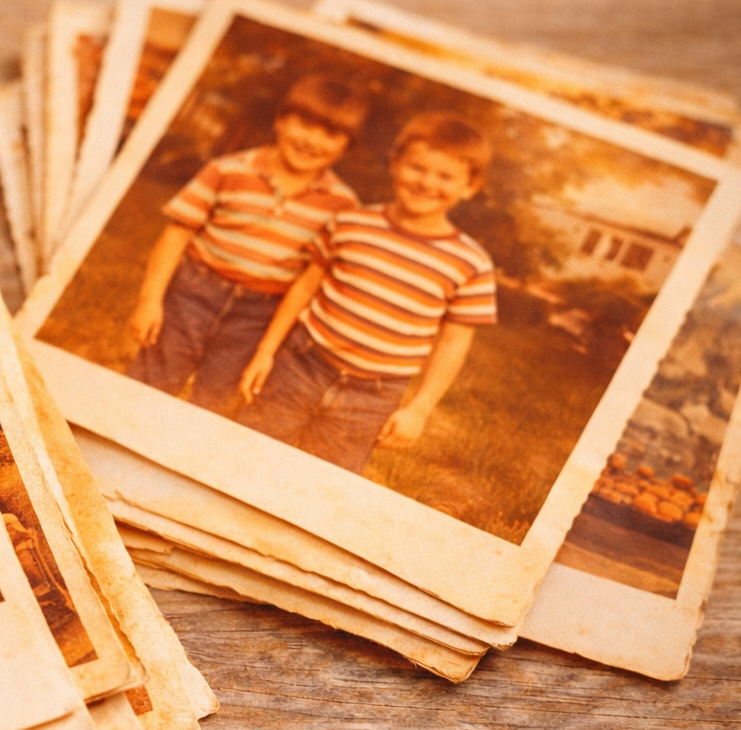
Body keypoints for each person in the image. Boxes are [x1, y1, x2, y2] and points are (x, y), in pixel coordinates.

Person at [236, 112, 496, 473]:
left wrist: (419, 408)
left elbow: (454, 342)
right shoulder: (351, 223)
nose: (427, 183)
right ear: (395, 164)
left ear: (470, 186)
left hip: (374, 393)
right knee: (246, 455)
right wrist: (266, 352)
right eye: (417, 168)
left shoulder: (471, 262)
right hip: (301, 365)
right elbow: (306, 287)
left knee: (324, 482)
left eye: (445, 176)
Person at [125, 74, 370, 414]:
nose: (312, 140)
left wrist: (269, 346)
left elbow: (313, 279)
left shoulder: (342, 205)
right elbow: (176, 235)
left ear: (347, 146)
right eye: (304, 123)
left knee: (214, 405)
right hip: (192, 296)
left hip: (259, 314)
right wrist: (150, 300)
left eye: (330, 133)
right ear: (281, 119)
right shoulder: (227, 170)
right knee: (149, 385)